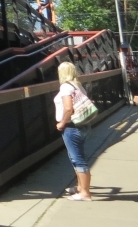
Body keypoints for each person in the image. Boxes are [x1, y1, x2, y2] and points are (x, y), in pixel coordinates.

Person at [54, 62, 93, 201]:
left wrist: (62, 123)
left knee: (78, 159)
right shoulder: (77, 85)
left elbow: (69, 108)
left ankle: (85, 193)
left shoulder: (65, 87)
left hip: (71, 127)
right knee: (76, 157)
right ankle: (80, 187)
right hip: (83, 124)